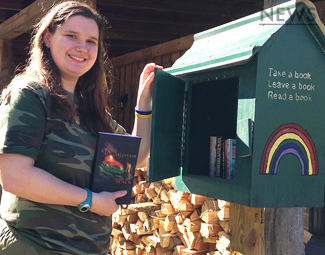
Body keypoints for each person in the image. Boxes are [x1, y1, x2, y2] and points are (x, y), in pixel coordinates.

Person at [0, 1, 160, 254]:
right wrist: (90, 200)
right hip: (35, 246)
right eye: (71, 36)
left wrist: (143, 103)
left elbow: (136, 158)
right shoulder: (31, 95)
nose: (82, 47)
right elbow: (14, 177)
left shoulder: (90, 110)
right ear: (48, 39)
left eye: (91, 41)